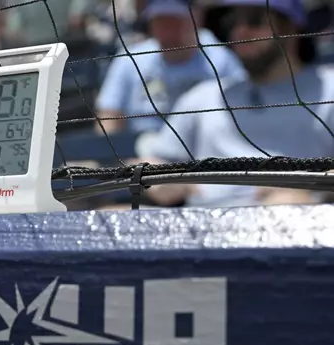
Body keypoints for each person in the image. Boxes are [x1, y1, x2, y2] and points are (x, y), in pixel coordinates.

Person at [136, 0, 334, 207]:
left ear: (291, 27)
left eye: (254, 20)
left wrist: (312, 191)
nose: (240, 31)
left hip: (300, 224)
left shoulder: (329, 88)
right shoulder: (203, 96)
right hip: (200, 226)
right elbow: (157, 158)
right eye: (231, 22)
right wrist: (159, 179)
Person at [95, 0, 245, 134]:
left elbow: (243, 109)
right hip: (139, 152)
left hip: (202, 152)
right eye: (161, 23)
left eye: (175, 23)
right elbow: (109, 116)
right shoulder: (129, 59)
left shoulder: (220, 59)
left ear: (195, 22)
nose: (168, 33)